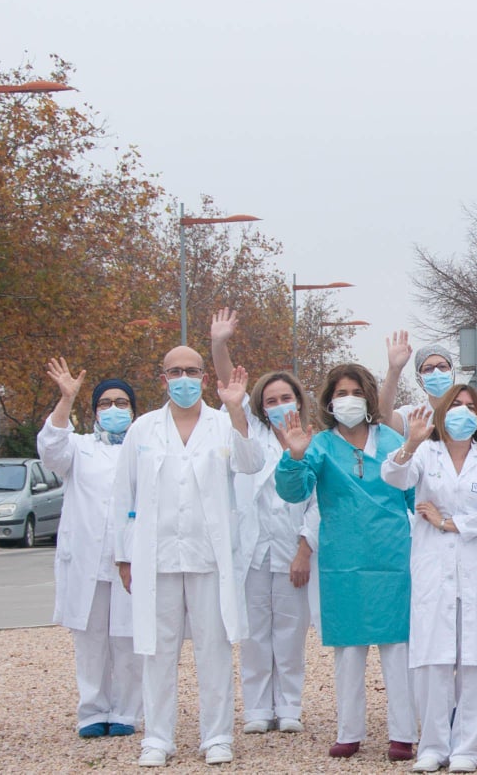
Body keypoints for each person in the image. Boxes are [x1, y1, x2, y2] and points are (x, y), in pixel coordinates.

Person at [110, 345, 259, 767]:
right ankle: (158, 737)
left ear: (205, 379)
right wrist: (124, 556)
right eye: (175, 372)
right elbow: (124, 494)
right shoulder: (143, 429)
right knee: (156, 652)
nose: (184, 379)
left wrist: (236, 412)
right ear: (162, 379)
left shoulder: (222, 424)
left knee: (213, 650)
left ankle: (217, 736)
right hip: (156, 558)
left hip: (210, 558)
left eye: (192, 371)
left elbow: (251, 463)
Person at [274, 364, 419, 762]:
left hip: (391, 557)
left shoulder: (392, 440)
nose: (348, 399)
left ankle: (403, 733)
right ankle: (349, 731)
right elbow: (295, 491)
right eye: (341, 393)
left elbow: (414, 495)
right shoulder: (319, 445)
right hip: (343, 560)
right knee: (349, 651)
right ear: (329, 401)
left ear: (369, 397)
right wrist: (294, 455)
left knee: (396, 647)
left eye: (356, 391)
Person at [382, 383, 477, 773]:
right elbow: (394, 476)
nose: (463, 412)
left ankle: (469, 748)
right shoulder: (426, 453)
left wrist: (449, 522)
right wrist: (411, 441)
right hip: (434, 569)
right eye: (456, 405)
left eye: (471, 407)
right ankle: (433, 746)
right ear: (442, 412)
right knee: (433, 659)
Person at [209, 310, 313, 738]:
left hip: (292, 549)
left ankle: (289, 705)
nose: (278, 406)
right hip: (252, 550)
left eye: (284, 398)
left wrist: (305, 547)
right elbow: (228, 389)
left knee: (289, 635)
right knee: (253, 635)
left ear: (299, 401)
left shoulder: (313, 439)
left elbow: (317, 503)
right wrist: (219, 344)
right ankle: (256, 707)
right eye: (270, 400)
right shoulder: (246, 429)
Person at [37, 358, 143, 740]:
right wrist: (65, 399)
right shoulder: (78, 448)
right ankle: (92, 711)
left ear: (133, 409)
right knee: (91, 638)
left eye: (121, 403)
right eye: (104, 403)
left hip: (130, 558)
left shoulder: (144, 446)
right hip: (87, 559)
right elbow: (50, 450)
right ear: (94, 410)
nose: (113, 409)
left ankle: (127, 710)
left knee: (129, 638)